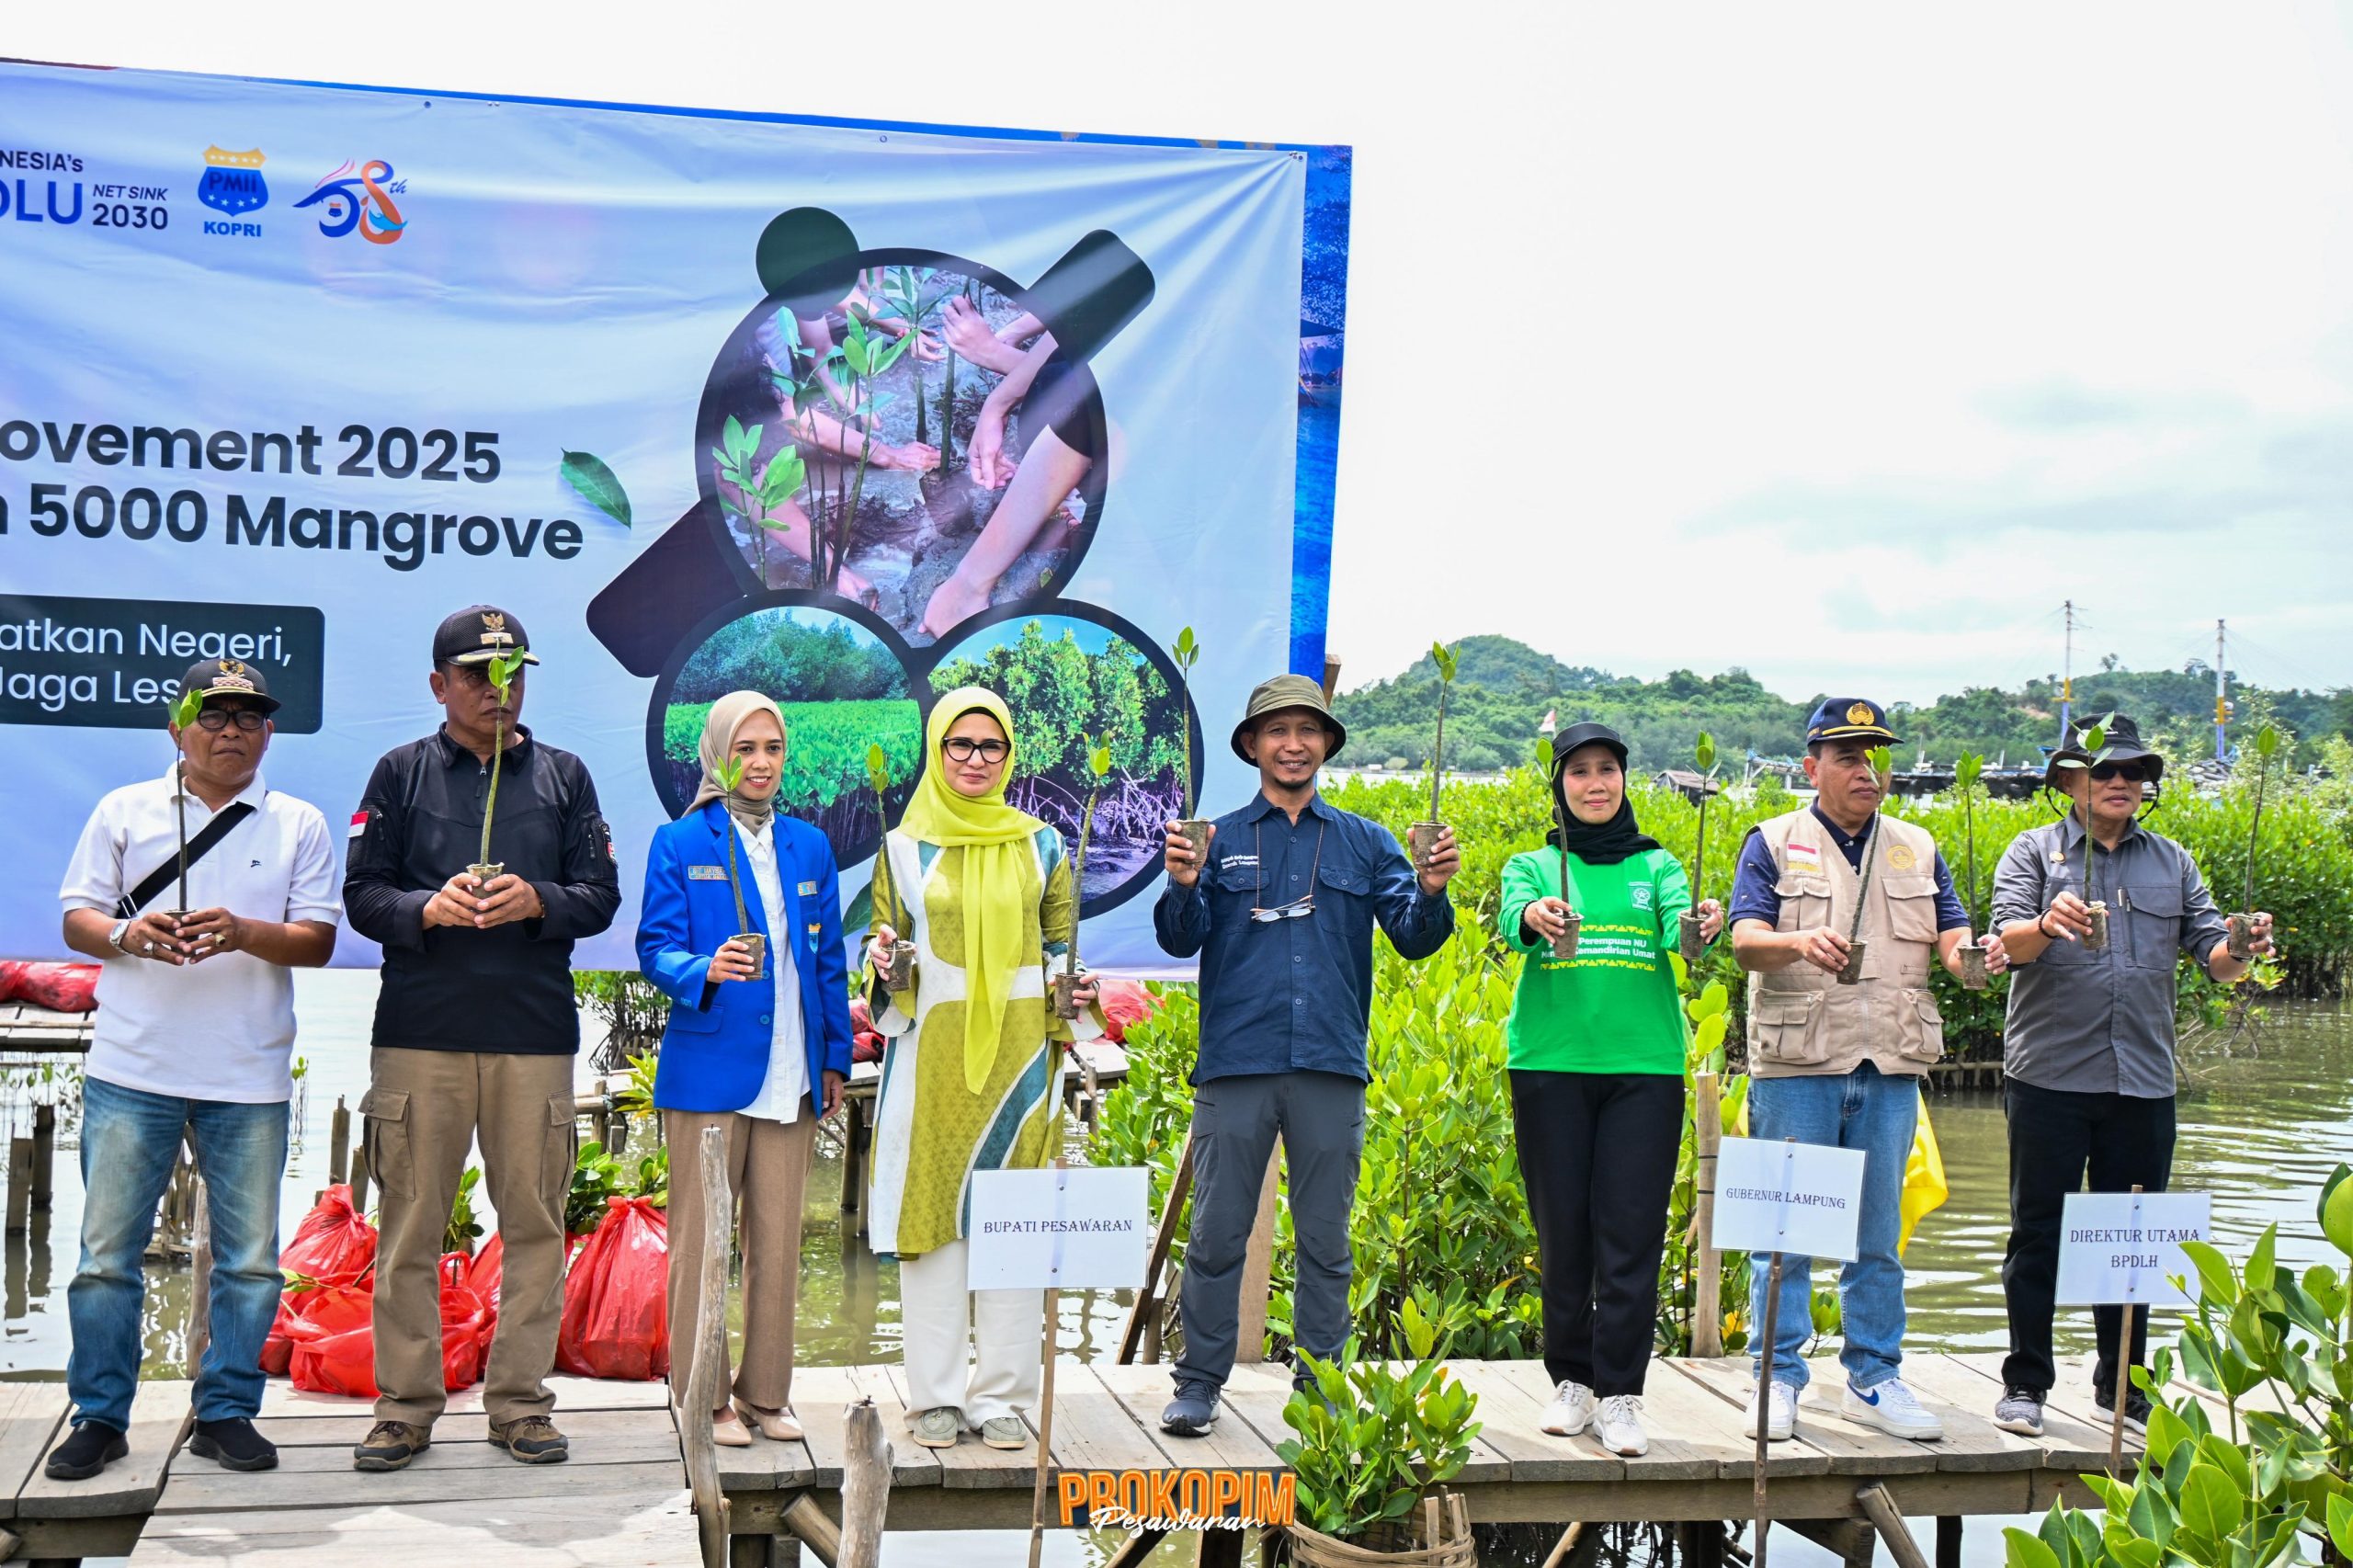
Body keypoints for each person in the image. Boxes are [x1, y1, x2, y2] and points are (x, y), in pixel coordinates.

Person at [46, 658, 338, 1482]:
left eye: (250, 718)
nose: (232, 731)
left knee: (249, 1260)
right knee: (107, 1255)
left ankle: (226, 1411)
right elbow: (77, 918)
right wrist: (128, 937)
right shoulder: (124, 810)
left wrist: (244, 931)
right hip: (131, 1068)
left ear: (269, 733)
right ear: (177, 727)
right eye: (214, 716)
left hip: (248, 1075)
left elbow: (316, 941)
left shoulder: (298, 822)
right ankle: (100, 1416)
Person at [343, 607, 620, 1471]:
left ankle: (521, 1404)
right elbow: (361, 897)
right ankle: (406, 1405)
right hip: (420, 1032)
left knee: (535, 1224)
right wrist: (425, 907)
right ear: (439, 686)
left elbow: (600, 896)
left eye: (513, 674)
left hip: (533, 1035)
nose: (498, 691)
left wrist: (540, 900)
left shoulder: (566, 777)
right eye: (477, 676)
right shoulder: (399, 774)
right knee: (411, 1225)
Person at [1154, 674, 1461, 1437]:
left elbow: (1416, 939)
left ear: (1326, 743)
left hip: (1330, 1065)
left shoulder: (1367, 840)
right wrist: (1182, 884)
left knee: (1326, 1236)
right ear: (1253, 745)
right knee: (1219, 1232)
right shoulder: (1216, 839)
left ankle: (1320, 1384)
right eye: (1277, 731)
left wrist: (1430, 890)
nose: (1293, 744)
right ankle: (1198, 1383)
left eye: (1308, 731)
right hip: (1236, 1066)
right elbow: (1178, 937)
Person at [1727, 698, 2008, 1443]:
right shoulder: (1771, 841)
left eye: (1874, 756)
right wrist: (1797, 944)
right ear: (1811, 766)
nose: (1865, 771)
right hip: (1796, 1063)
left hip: (1889, 1061)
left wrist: (1977, 959)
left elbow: (1953, 940)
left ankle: (1874, 1376)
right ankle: (1775, 1377)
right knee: (1782, 1231)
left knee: (1878, 1232)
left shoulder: (1917, 844)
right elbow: (1745, 941)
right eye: (1848, 756)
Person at [1986, 715, 2270, 1437]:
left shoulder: (2172, 860)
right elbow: (2004, 947)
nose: (2121, 783)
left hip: (2143, 1080)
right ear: (2069, 781)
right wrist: (2049, 925)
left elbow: (2216, 958)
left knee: (2130, 1238)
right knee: (2038, 1233)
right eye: (2105, 771)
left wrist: (2245, 948)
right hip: (2048, 1075)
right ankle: (2026, 1384)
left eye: (2134, 772)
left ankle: (2121, 1387)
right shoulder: (2032, 851)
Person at [860, 688, 1103, 1451]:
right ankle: (933, 1396)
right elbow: (886, 961)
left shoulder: (1043, 845)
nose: (973, 760)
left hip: (1023, 1060)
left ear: (1009, 755)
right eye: (959, 745)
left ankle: (1001, 1396)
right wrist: (882, 965)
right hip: (930, 1058)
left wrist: (1079, 992)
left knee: (1014, 1222)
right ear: (937, 751)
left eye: (989, 747)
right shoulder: (901, 848)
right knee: (930, 1223)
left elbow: (1062, 948)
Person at [1499, 722, 1723, 1458]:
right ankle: (1572, 1382)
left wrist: (1700, 927)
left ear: (1625, 781)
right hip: (1550, 1065)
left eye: (1609, 771)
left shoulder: (1657, 865)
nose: (1596, 785)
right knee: (1563, 1233)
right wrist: (1534, 915)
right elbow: (1514, 921)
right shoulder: (1533, 864)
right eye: (1580, 773)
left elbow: (1677, 934)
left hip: (1644, 1071)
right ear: (1559, 784)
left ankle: (1622, 1395)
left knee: (1629, 1238)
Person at [636, 693, 853, 1446]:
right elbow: (654, 948)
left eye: (772, 749)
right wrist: (705, 967)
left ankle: (766, 1394)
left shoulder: (809, 846)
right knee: (702, 1244)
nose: (759, 763)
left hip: (793, 1074)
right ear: (717, 753)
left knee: (778, 1241)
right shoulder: (679, 841)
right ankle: (702, 1396)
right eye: (745, 748)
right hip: (709, 1076)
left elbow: (827, 962)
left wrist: (834, 1060)